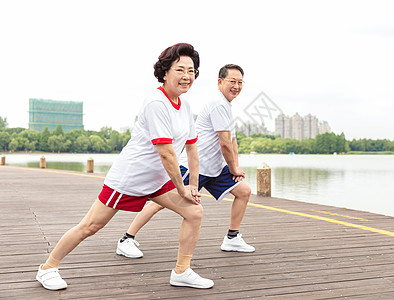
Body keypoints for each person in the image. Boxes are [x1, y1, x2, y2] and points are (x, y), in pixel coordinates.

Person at [36, 43, 214, 290]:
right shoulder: (156, 102)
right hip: (131, 177)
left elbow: (192, 148)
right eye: (180, 69)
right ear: (165, 72)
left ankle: (182, 271)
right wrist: (182, 188)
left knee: (194, 212)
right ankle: (48, 267)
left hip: (157, 179)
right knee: (91, 225)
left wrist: (193, 184)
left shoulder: (184, 106)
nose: (187, 76)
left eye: (191, 71)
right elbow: (166, 153)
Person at [116, 64, 255, 260]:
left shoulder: (227, 106)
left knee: (243, 191)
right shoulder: (218, 104)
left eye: (240, 82)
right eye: (232, 81)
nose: (236, 86)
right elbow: (224, 144)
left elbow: (232, 141)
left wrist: (235, 167)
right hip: (194, 167)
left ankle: (232, 237)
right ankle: (126, 239)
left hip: (214, 168)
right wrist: (234, 167)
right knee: (159, 202)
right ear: (220, 82)